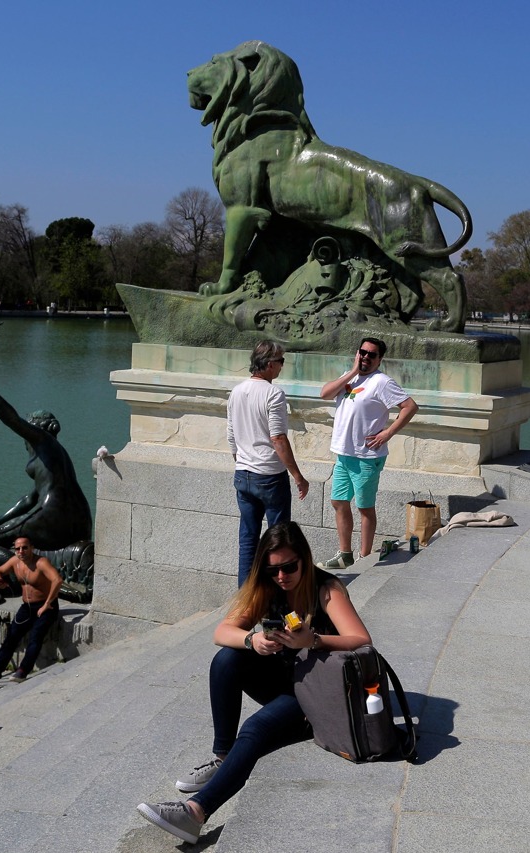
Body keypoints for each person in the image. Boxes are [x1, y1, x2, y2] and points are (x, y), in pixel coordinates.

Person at [136, 521, 371, 844]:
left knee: (255, 728)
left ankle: (195, 812)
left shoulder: (326, 589)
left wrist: (313, 640)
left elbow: (361, 640)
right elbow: (221, 632)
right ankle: (224, 760)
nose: (281, 576)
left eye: (289, 567)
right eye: (272, 570)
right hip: (286, 680)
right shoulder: (268, 587)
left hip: (318, 692)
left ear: (304, 559)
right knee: (226, 660)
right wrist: (253, 640)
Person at [0, 364, 93, 572]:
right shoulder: (55, 456)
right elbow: (29, 499)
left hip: (54, 515)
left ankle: (17, 579)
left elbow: (10, 418)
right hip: (81, 520)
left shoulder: (42, 440)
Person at [315, 337, 419, 569]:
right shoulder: (349, 376)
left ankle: (364, 558)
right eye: (362, 352)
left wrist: (388, 433)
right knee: (338, 501)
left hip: (367, 457)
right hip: (344, 454)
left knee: (364, 507)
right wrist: (353, 371)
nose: (365, 357)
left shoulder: (382, 382)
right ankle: (345, 554)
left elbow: (410, 407)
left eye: (372, 355)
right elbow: (324, 394)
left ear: (379, 359)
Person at [227, 340, 310, 586]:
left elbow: (231, 436)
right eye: (281, 361)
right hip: (270, 476)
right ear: (270, 364)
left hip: (243, 473)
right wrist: (298, 476)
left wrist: (243, 462)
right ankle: (277, 591)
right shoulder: (273, 394)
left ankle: (246, 594)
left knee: (248, 539)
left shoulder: (236, 391)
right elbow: (278, 438)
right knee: (280, 541)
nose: (282, 366)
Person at [0, 536, 64, 695]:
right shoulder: (15, 561)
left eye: (25, 548)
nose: (21, 551)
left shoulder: (41, 562)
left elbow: (57, 580)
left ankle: (23, 670)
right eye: (18, 548)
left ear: (32, 548)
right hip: (27, 607)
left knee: (35, 637)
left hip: (46, 606)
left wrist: (47, 603)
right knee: (10, 640)